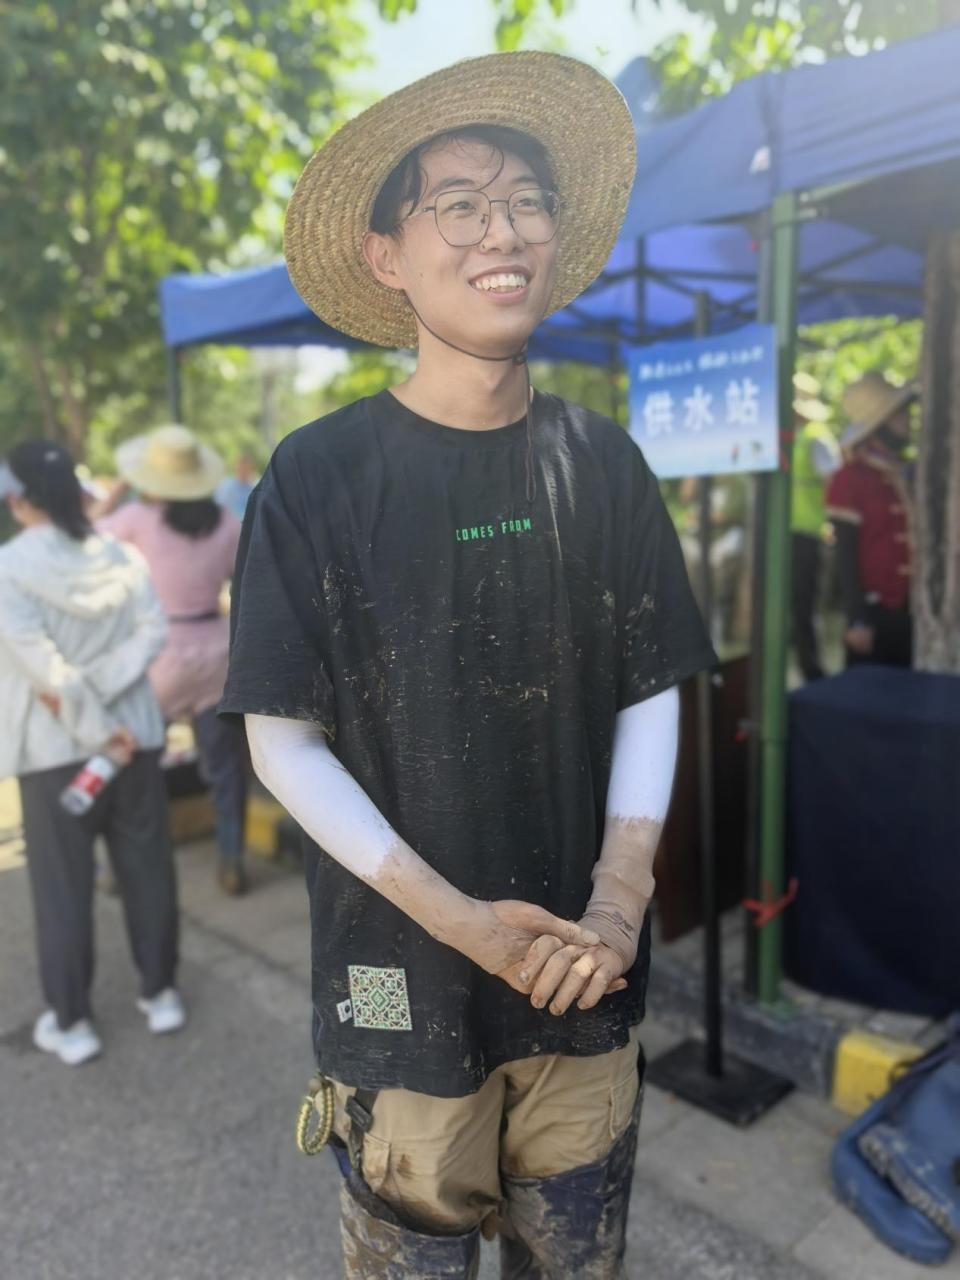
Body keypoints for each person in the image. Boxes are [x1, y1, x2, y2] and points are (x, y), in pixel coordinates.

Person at [222, 53, 715, 1278]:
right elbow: (281, 739)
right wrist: (461, 922)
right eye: (459, 203)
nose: (503, 231)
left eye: (527, 201)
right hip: (401, 994)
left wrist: (620, 894)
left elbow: (650, 684)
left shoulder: (603, 463)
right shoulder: (318, 475)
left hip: (582, 980)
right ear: (387, 254)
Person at [0, 441, 183, 1066]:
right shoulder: (122, 556)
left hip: (57, 750)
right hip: (136, 740)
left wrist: (89, 711)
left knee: (61, 888)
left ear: (17, 499)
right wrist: (110, 710)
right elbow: (153, 632)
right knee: (147, 870)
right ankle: (161, 993)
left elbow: (44, 671)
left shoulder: (10, 567)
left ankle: (72, 1022)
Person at [98, 426, 249, 895]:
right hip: (217, 655)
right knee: (225, 769)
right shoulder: (226, 522)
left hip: (162, 656)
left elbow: (84, 536)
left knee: (135, 765)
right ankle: (231, 859)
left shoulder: (138, 519)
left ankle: (121, 867)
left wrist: (118, 488)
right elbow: (245, 577)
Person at [826, 371, 918, 669]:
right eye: (899, 415)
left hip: (910, 610)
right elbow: (845, 555)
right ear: (880, 425)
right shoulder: (850, 478)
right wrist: (857, 618)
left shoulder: (905, 474)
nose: (908, 420)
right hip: (873, 613)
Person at [790, 372, 840, 681]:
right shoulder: (789, 437)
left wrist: (830, 524)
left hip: (810, 533)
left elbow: (834, 483)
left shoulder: (816, 437)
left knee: (806, 605)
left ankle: (813, 671)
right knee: (793, 606)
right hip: (787, 535)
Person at [215, 453, 259, 521]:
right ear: (236, 467)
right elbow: (219, 507)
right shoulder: (225, 485)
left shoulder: (253, 490)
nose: (244, 470)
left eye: (247, 468)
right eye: (242, 467)